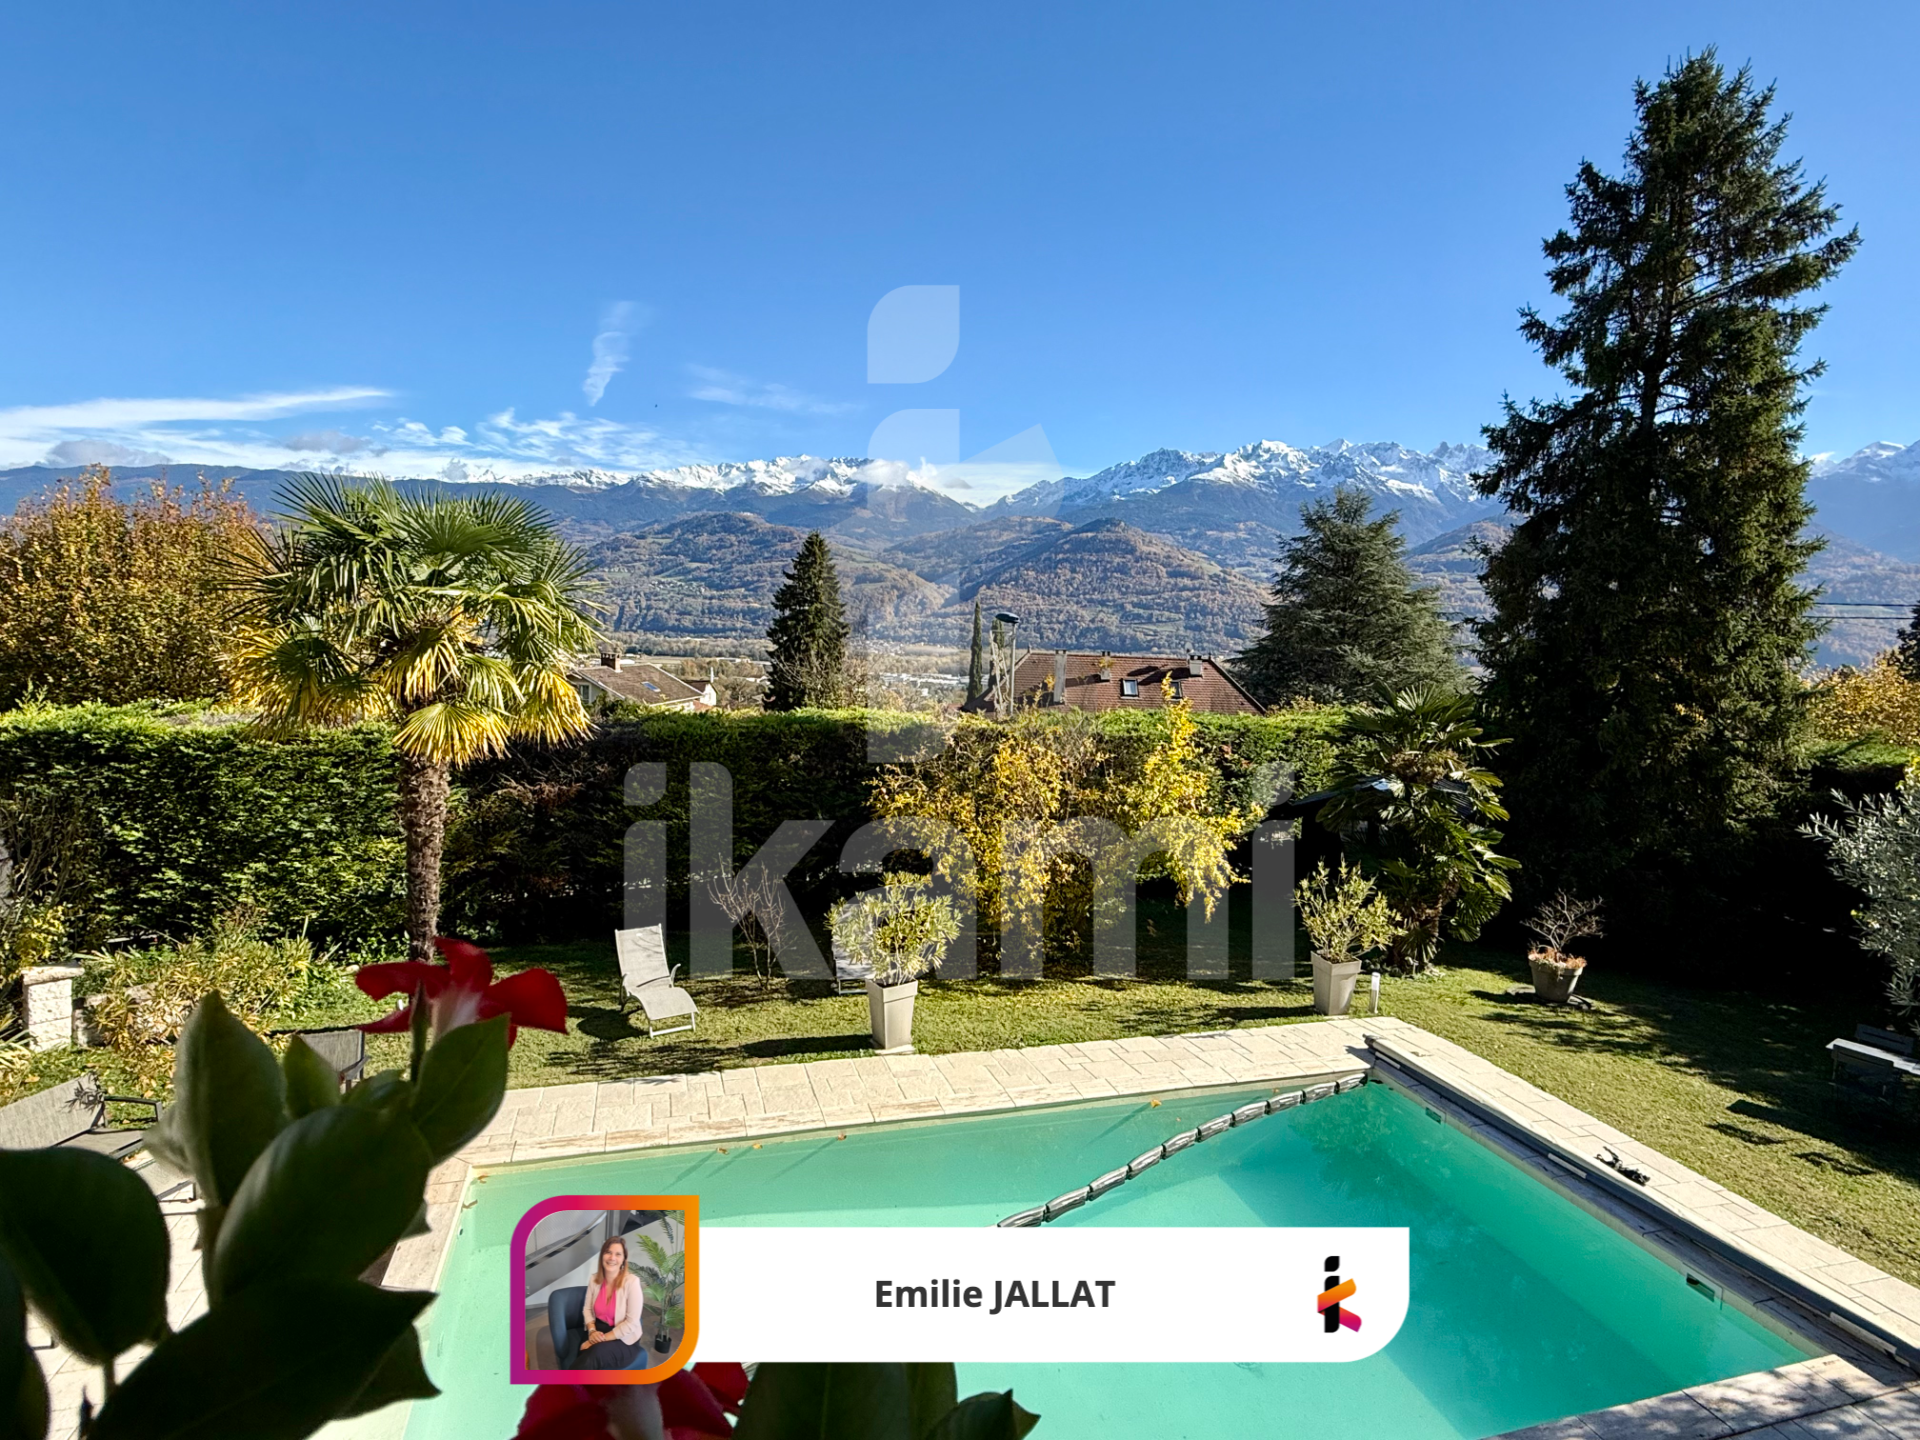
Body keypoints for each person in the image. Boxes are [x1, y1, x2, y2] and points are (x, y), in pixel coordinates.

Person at [576, 1235, 647, 1369]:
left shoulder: (632, 1282)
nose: (612, 1258)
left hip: (624, 1337)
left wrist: (598, 1340)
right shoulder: (594, 1279)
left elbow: (631, 1323)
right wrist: (592, 1331)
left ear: (624, 1259)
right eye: (608, 1252)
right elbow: (587, 1309)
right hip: (598, 1328)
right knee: (583, 1351)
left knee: (595, 1354)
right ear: (602, 1256)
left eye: (618, 1254)